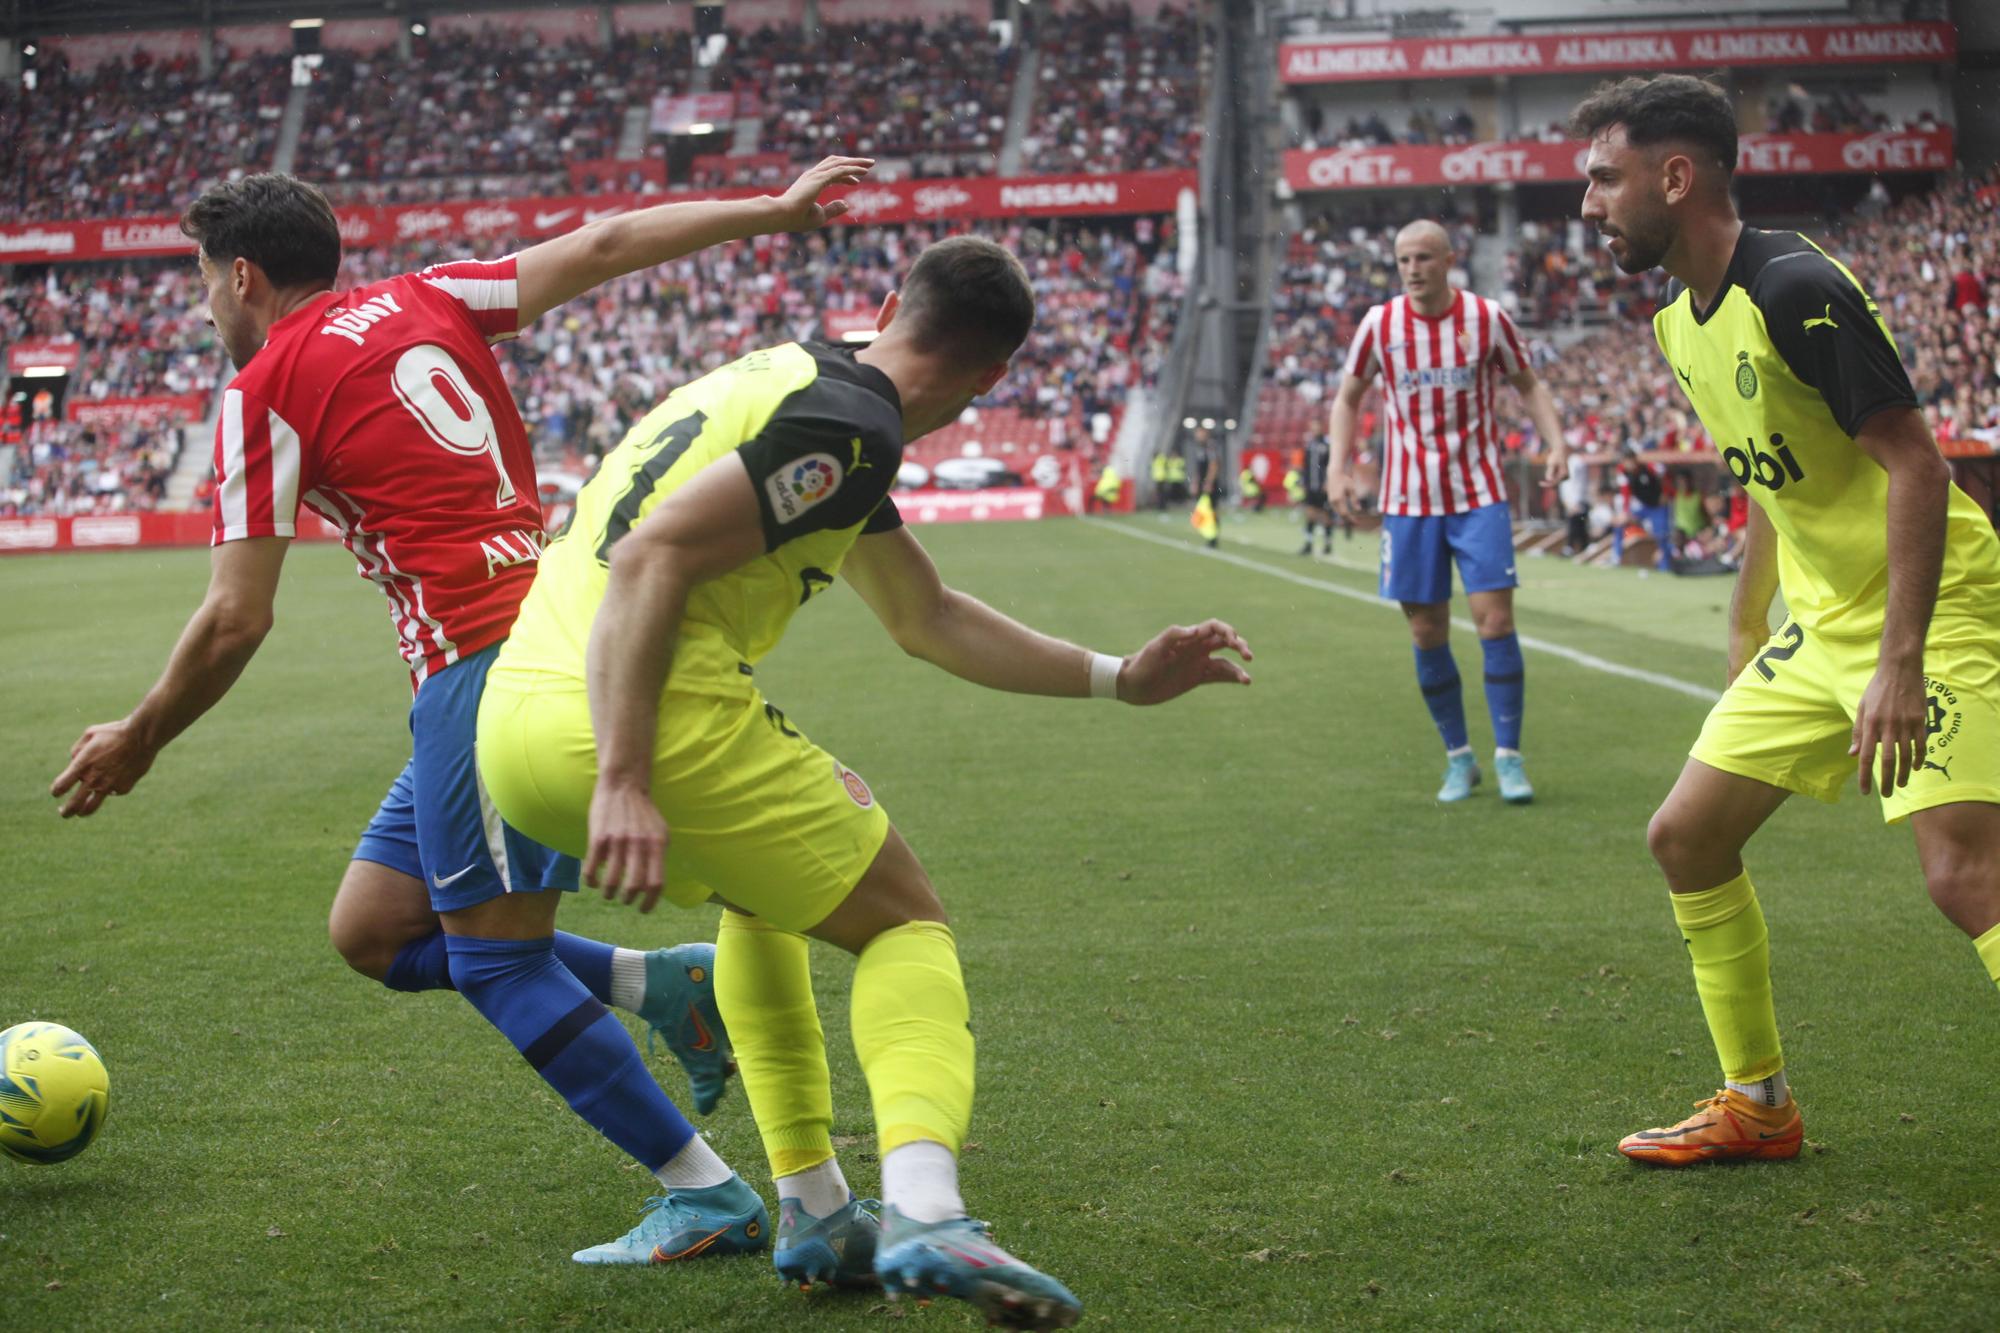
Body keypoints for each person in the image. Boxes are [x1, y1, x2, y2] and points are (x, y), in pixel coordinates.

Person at [47, 161, 876, 1258]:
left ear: (242, 275)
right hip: (552, 623)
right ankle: (664, 985)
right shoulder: (433, 296)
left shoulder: (262, 391)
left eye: (204, 280)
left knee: (492, 957)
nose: (204, 303)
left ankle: (705, 1191)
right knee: (376, 929)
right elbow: (603, 244)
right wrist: (769, 211)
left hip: (484, 663)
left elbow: (234, 618)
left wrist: (139, 734)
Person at [475, 236, 1253, 1328]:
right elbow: (653, 558)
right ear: (994, 379)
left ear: (887, 304)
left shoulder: (789, 383)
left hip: (513, 716)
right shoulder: (852, 425)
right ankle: (929, 1209)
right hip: (632, 715)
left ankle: (815, 1209)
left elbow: (922, 616)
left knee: (768, 892)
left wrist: (1119, 678)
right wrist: (624, 773)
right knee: (905, 924)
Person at [1575, 74, 2000, 1165]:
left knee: (1962, 875)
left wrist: (1897, 662)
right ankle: (1756, 1104)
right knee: (1686, 835)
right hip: (1816, 625)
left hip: (1933, 602)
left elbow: (1914, 463)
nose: (1587, 204)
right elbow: (1769, 480)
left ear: (1675, 177)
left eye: (1603, 177)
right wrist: (1745, 627)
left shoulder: (1793, 287)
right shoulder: (1677, 322)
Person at [1326, 219, 1570, 804]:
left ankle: (1509, 757)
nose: (1413, 269)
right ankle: (1459, 759)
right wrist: (1337, 466)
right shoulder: (1380, 324)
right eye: (1404, 259)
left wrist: (1556, 440)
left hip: (1477, 494)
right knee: (1426, 629)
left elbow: (1529, 384)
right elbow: (1348, 396)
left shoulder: (1485, 319)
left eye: (1424, 258)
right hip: (1408, 502)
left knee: (1495, 622)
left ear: (1449, 261)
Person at [1297, 431, 1341, 556]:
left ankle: (1327, 544)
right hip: (1311, 487)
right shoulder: (1309, 446)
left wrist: (1328, 481)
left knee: (1325, 515)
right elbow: (1305, 465)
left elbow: (1331, 465)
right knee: (1310, 514)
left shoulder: (1328, 446)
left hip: (1323, 488)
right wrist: (1304, 481)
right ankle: (1308, 544)